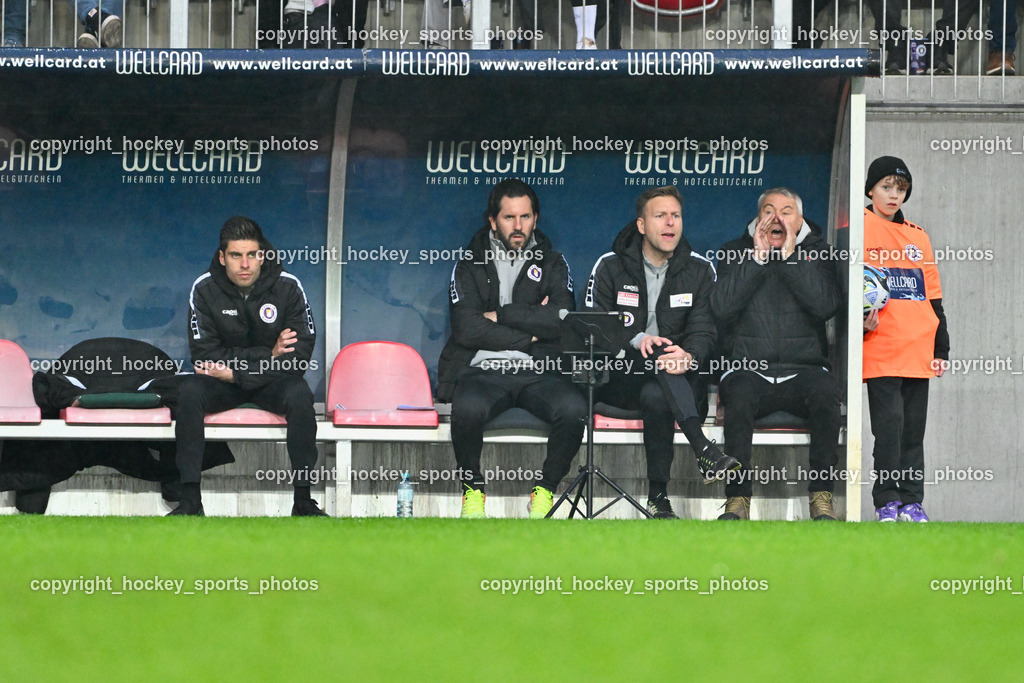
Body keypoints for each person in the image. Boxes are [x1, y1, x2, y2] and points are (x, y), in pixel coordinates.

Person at [584, 185, 739, 520]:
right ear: (641, 225)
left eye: (676, 216)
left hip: (678, 383)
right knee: (655, 351)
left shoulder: (699, 270)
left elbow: (705, 330)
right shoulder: (610, 266)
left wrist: (688, 355)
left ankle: (658, 497)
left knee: (659, 387)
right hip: (620, 379)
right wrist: (637, 339)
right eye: (661, 216)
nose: (671, 223)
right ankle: (704, 449)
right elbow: (593, 326)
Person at [436, 179, 586, 519]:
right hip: (484, 369)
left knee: (575, 408)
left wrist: (502, 315)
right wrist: (530, 334)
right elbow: (467, 328)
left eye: (525, 217)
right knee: (467, 410)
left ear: (536, 218)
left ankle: (545, 490)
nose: (518, 226)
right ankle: (473, 492)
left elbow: (562, 319)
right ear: (492, 220)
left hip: (541, 371)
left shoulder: (553, 263)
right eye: (508, 218)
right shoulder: (468, 263)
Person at [169, 216, 325, 517]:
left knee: (299, 394)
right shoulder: (204, 289)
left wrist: (237, 371)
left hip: (267, 383)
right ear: (222, 257)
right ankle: (189, 500)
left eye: (252, 255)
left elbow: (297, 360)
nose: (245, 264)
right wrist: (269, 354)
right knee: (188, 391)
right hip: (223, 384)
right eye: (236, 255)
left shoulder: (289, 288)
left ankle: (303, 500)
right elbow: (205, 355)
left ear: (262, 255)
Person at [711, 188, 842, 521]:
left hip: (804, 369)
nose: (777, 218)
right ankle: (737, 499)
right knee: (737, 396)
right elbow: (721, 309)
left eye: (786, 211)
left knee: (827, 394)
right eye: (769, 210)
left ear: (798, 221)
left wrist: (789, 259)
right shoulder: (732, 252)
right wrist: (755, 261)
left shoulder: (820, 254)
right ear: (758, 220)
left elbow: (826, 306)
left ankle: (821, 497)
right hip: (748, 369)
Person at [862, 157, 949, 522]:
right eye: (886, 187)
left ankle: (913, 501)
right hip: (880, 347)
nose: (893, 195)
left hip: (918, 348)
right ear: (870, 189)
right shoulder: (858, 228)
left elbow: (934, 299)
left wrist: (941, 347)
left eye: (900, 188)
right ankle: (886, 501)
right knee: (889, 430)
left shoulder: (919, 236)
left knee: (914, 431)